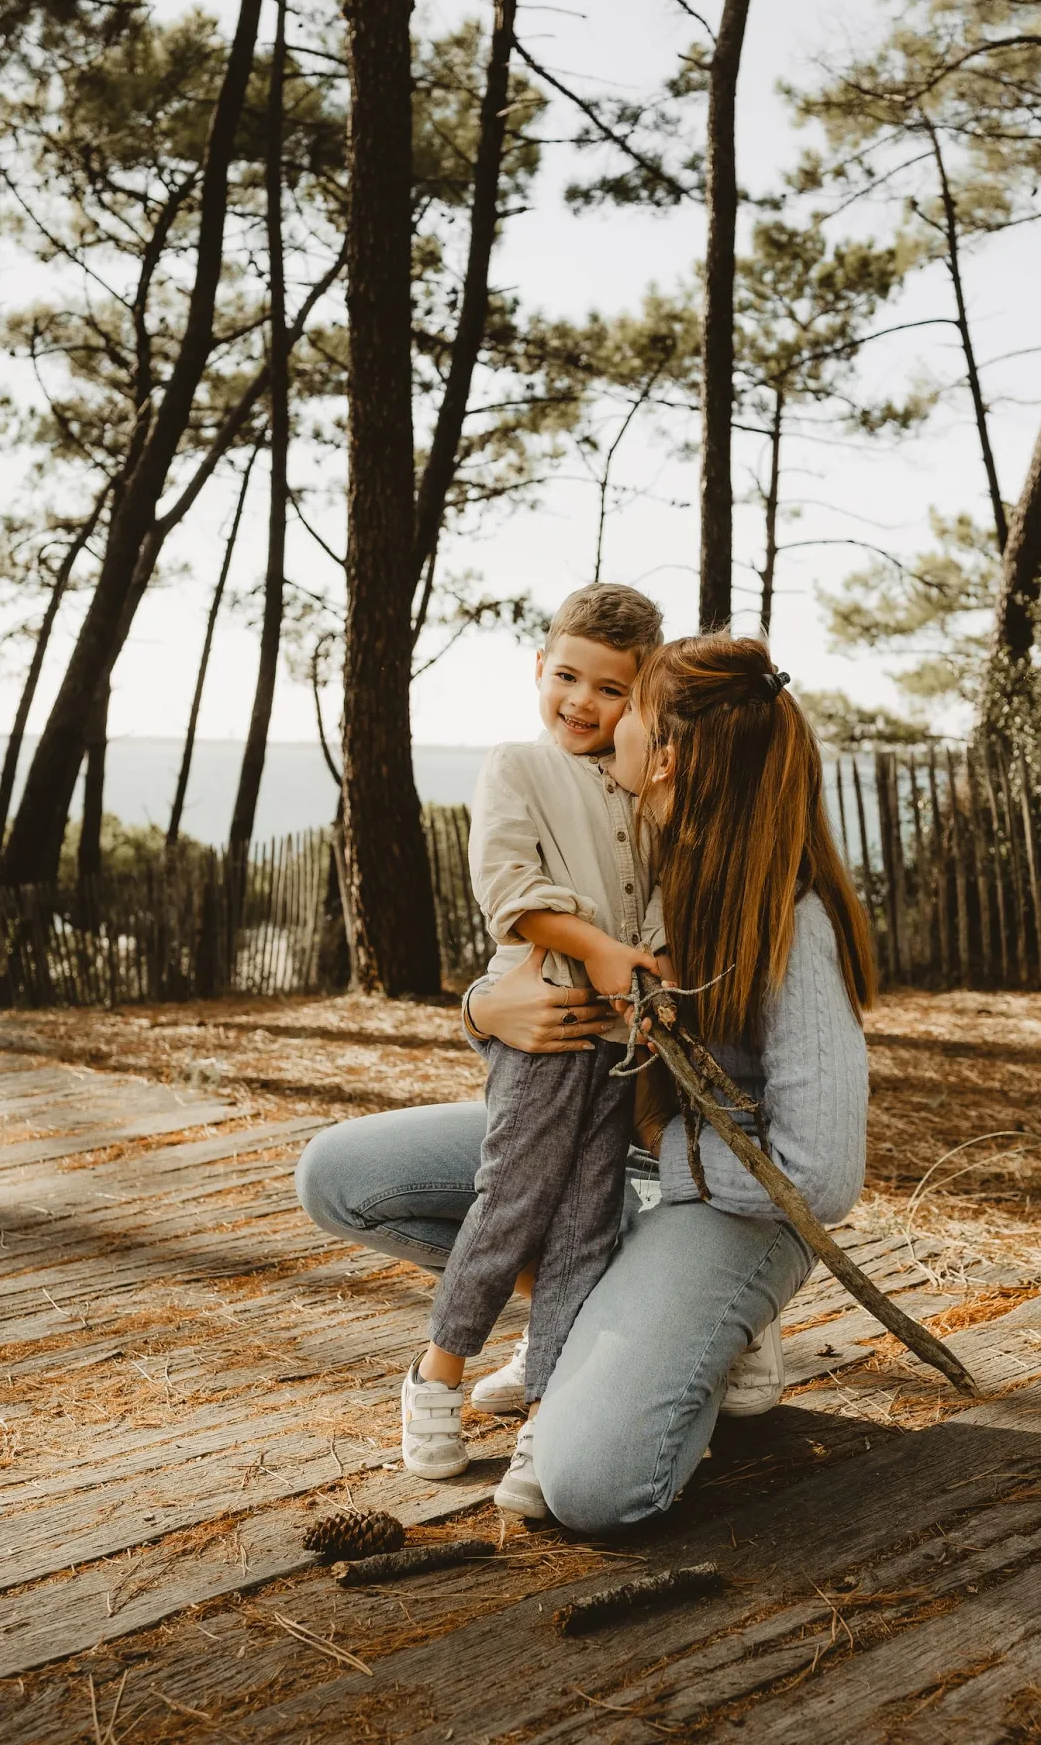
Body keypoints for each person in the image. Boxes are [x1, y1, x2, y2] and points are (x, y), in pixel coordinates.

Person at [296, 634, 873, 1530]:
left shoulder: (789, 922)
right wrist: (483, 1010)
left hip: (732, 1201)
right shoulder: (633, 838)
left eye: (632, 706)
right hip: (605, 1139)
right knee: (341, 1175)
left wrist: (662, 1148)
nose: (608, 717)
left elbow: (823, 1176)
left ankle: (698, 1318)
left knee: (590, 1488)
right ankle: (622, 1289)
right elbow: (538, 953)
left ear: (669, 753)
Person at [400, 583, 668, 1513]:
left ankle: (545, 1421)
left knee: (586, 1223)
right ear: (540, 670)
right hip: (545, 1026)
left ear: (644, 701)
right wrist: (599, 950)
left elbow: (664, 909)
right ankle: (435, 1377)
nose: (583, 704)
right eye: (568, 678)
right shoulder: (517, 766)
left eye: (613, 692)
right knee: (514, 1201)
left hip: (617, 1045)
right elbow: (509, 885)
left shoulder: (646, 789)